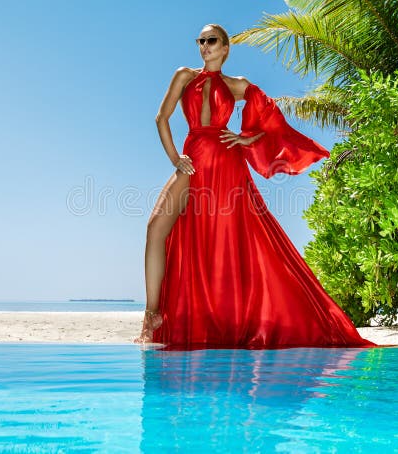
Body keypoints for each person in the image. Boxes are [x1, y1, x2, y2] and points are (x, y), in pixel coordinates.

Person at [135, 23, 375, 349]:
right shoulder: (184, 76)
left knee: (226, 242)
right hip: (192, 161)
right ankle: (153, 314)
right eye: (200, 40)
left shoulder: (237, 85)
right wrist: (176, 158)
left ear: (225, 47)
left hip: (226, 164)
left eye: (211, 41)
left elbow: (270, 119)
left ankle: (226, 320)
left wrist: (244, 138)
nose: (204, 46)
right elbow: (160, 119)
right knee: (155, 227)